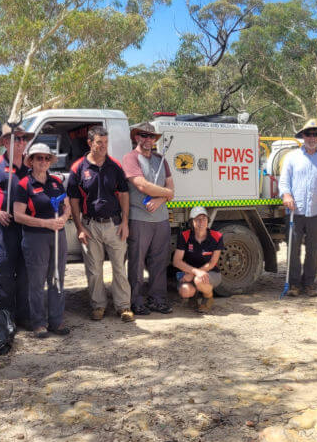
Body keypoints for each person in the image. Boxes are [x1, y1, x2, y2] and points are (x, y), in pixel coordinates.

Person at [68, 126, 134, 322]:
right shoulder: (78, 168)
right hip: (90, 227)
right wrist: (80, 228)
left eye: (105, 142)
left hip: (114, 225)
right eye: (99, 142)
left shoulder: (115, 167)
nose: (103, 146)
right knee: (94, 270)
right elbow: (74, 200)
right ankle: (98, 306)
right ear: (90, 143)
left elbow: (124, 194)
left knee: (119, 268)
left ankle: (123, 307)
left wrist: (124, 222)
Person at [13, 143, 71, 338]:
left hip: (58, 236)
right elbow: (18, 215)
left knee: (57, 278)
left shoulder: (56, 182)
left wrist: (63, 219)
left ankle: (56, 321)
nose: (43, 161)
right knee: (36, 282)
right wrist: (45, 223)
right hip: (35, 238)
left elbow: (67, 205)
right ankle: (38, 323)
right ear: (31, 161)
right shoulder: (23, 184)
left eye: (47, 158)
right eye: (39, 158)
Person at [279, 119, 317, 297]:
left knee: (313, 249)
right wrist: (287, 195)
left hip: (316, 211)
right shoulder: (292, 157)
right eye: (308, 134)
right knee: (293, 249)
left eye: (315, 134)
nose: (312, 138)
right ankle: (294, 284)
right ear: (302, 136)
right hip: (295, 212)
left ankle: (309, 284)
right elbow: (284, 181)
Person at [0, 123, 34, 328]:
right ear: (5, 142)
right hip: (2, 230)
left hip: (28, 229)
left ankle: (24, 316)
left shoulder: (32, 165)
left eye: (24, 139)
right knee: (3, 273)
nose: (21, 143)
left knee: (26, 274)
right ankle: (4, 320)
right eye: (16, 139)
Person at [122, 123, 175, 315]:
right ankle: (136, 301)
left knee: (159, 263)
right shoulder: (130, 159)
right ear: (136, 137)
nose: (148, 139)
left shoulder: (161, 160)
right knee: (136, 262)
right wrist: (167, 193)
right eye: (144, 135)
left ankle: (157, 300)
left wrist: (162, 197)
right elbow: (142, 185)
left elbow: (171, 189)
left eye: (151, 136)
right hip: (139, 219)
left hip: (161, 220)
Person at [172, 206, 224, 313]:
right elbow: (176, 261)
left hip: (211, 272)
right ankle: (193, 297)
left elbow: (212, 263)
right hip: (190, 272)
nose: (201, 222)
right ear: (192, 222)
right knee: (185, 291)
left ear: (208, 221)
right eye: (197, 219)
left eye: (204, 219)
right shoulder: (185, 236)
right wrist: (194, 272)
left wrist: (195, 274)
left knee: (198, 280)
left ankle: (208, 298)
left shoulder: (217, 236)